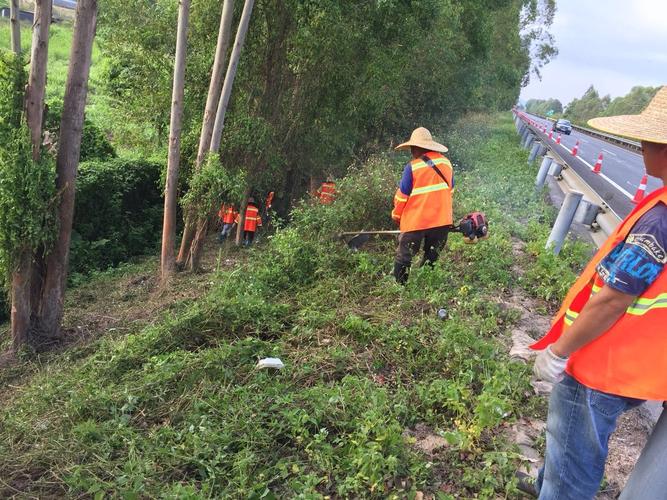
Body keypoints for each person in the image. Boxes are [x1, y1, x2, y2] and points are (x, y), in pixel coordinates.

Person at [519, 86, 667, 500]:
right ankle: (544, 481)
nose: (641, 146)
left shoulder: (659, 222)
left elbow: (614, 298)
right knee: (568, 453)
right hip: (642, 365)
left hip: (602, 364)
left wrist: (559, 351)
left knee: (572, 468)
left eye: (649, 138)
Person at [391, 127, 454, 284]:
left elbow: (401, 197)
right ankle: (426, 285)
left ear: (418, 148)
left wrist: (396, 216)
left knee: (404, 256)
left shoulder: (412, 167)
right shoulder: (447, 163)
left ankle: (400, 289)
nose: (411, 151)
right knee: (431, 255)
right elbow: (450, 191)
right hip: (441, 221)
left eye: (413, 148)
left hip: (416, 222)